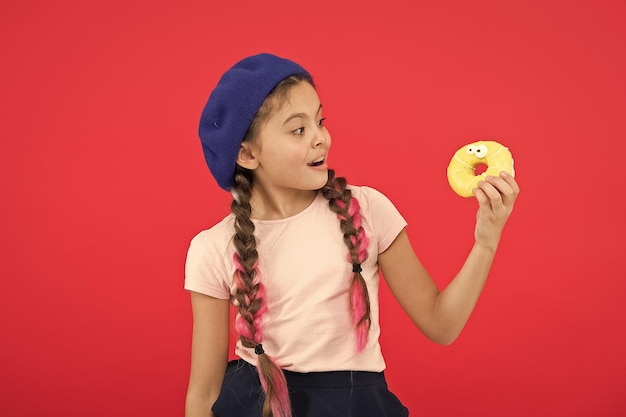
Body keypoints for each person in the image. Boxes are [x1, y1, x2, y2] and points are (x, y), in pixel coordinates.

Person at [184, 53, 519, 417]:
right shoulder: (213, 248)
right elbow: (204, 394)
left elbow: (442, 325)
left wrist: (487, 239)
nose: (321, 139)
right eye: (299, 129)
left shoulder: (368, 210)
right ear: (247, 153)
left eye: (320, 121)